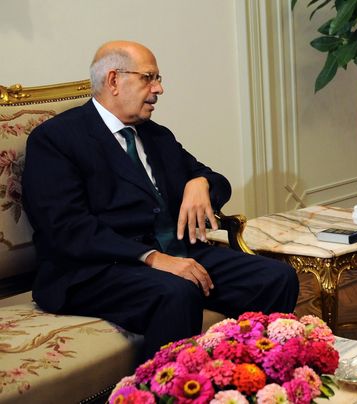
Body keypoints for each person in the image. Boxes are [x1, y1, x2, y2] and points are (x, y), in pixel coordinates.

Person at [22, 41, 299, 361]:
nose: (160, 88)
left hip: (177, 252)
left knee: (276, 278)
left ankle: (245, 377)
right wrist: (151, 257)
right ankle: (160, 392)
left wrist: (201, 183)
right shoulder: (56, 139)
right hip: (96, 270)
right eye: (149, 77)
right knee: (177, 293)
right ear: (114, 80)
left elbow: (216, 181)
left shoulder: (156, 135)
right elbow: (67, 228)